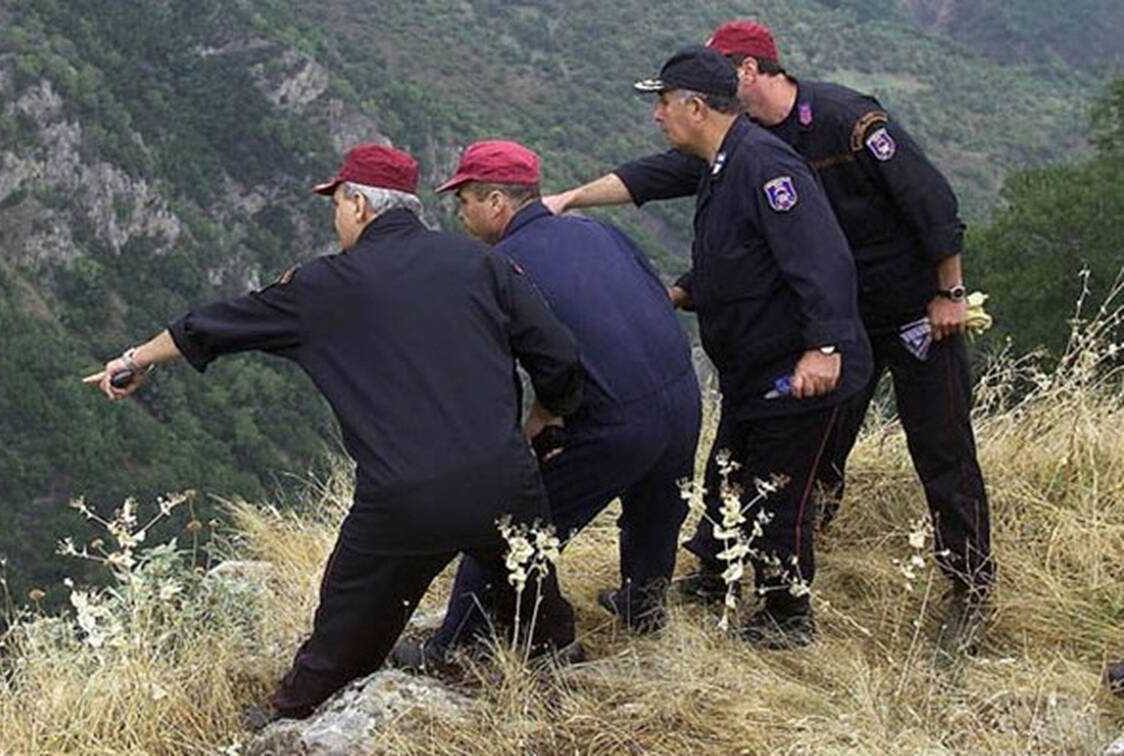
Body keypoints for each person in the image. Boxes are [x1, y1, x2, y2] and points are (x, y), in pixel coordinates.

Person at [83, 144, 585, 719]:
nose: (336, 217)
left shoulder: (324, 285)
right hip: (505, 479)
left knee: (347, 632)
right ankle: (558, 689)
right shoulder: (479, 262)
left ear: (359, 206)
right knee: (539, 615)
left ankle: (290, 719)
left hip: (406, 497)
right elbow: (559, 355)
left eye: (338, 204)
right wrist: (546, 418)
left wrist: (135, 359)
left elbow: (216, 324)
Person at [542, 47, 872, 648]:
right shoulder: (723, 164)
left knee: (777, 496)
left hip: (797, 371)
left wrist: (824, 349)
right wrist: (679, 292)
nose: (657, 115)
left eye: (664, 103)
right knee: (725, 480)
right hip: (752, 370)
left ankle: (785, 618)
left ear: (696, 108)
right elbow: (739, 257)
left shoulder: (767, 167)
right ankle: (713, 579)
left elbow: (821, 263)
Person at [698, 19, 992, 651]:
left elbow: (931, 201)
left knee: (942, 450)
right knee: (820, 449)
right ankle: (786, 575)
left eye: (718, 76)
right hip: (844, 325)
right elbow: (669, 173)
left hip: (917, 313)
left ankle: (969, 589)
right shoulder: (751, 143)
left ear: (748, 71)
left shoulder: (846, 120)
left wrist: (949, 292)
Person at [391, 140, 701, 669]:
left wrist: (540, 416)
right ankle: (644, 607)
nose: (460, 213)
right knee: (656, 509)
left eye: (464, 200)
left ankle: (453, 646)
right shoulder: (596, 230)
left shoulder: (500, 266)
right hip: (681, 395)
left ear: (496, 202)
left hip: (616, 419)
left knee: (511, 530)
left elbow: (510, 367)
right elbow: (652, 296)